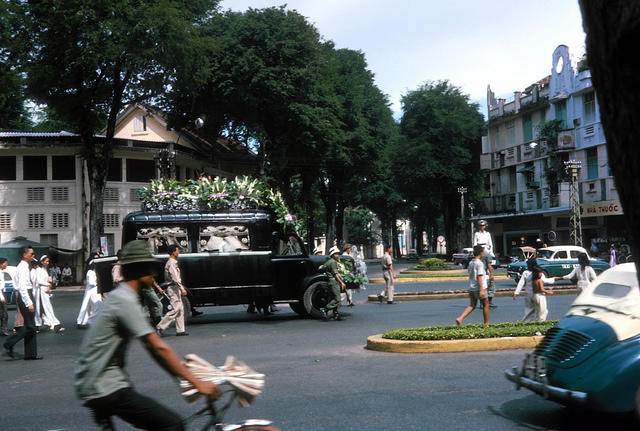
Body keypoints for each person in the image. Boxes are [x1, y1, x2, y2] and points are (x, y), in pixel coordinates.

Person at [74, 240, 221, 430]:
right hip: (104, 386)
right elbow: (156, 347)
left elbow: (154, 350)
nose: (153, 274)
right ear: (140, 270)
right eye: (150, 269)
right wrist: (197, 383)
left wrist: (181, 378)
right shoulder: (124, 299)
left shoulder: (123, 296)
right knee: (173, 426)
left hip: (100, 382)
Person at [3, 245, 41, 360]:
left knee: (30, 325)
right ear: (25, 255)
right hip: (25, 295)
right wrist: (28, 302)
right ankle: (9, 343)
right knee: (30, 326)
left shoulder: (24, 266)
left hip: (26, 294)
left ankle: (31, 354)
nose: (33, 256)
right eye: (31, 254)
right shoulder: (23, 267)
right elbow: (22, 287)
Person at [156, 245, 188, 336]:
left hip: (175, 287)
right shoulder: (172, 263)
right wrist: (182, 288)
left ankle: (180, 330)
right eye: (177, 250)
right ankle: (160, 327)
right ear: (173, 252)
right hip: (173, 288)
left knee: (180, 309)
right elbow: (175, 277)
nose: (178, 252)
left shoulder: (172, 262)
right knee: (175, 309)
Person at [456, 245, 489, 326]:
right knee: (486, 304)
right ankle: (486, 324)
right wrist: (481, 289)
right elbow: (479, 276)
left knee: (472, 305)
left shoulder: (471, 262)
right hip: (479, 287)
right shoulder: (479, 263)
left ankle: (460, 318)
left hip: (472, 287)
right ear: (481, 253)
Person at [35, 255, 64, 333]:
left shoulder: (45, 270)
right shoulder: (39, 270)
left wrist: (49, 286)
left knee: (46, 308)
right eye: (46, 261)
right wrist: (48, 285)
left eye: (48, 261)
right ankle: (53, 324)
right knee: (44, 308)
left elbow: (47, 280)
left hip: (45, 291)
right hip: (41, 292)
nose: (47, 263)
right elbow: (39, 281)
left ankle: (52, 323)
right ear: (42, 262)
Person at [473, 220, 496, 308]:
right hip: (480, 251)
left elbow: (491, 244)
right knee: (481, 272)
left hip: (487, 250)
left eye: (483, 225)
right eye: (481, 226)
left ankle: (489, 300)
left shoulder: (488, 234)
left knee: (489, 273)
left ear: (485, 226)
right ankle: (482, 301)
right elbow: (475, 244)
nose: (482, 227)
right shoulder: (477, 234)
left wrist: (491, 252)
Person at [76, 256, 103, 328]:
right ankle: (87, 321)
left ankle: (87, 321)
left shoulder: (93, 272)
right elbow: (91, 283)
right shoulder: (90, 272)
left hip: (94, 291)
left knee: (93, 306)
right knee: (96, 305)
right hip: (92, 291)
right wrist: (98, 282)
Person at [320, 246, 346, 321]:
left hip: (331, 282)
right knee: (337, 299)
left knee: (333, 297)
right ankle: (325, 309)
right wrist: (342, 283)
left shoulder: (329, 261)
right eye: (336, 254)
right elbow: (335, 274)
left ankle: (335, 314)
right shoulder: (333, 262)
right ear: (333, 254)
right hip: (334, 282)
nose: (338, 255)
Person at [0, 257, 9, 336]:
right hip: (0, 294)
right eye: (5, 263)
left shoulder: (2, 272)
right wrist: (2, 297)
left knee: (3, 314)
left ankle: (3, 330)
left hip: (2, 293)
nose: (6, 265)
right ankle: (3, 330)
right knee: (4, 314)